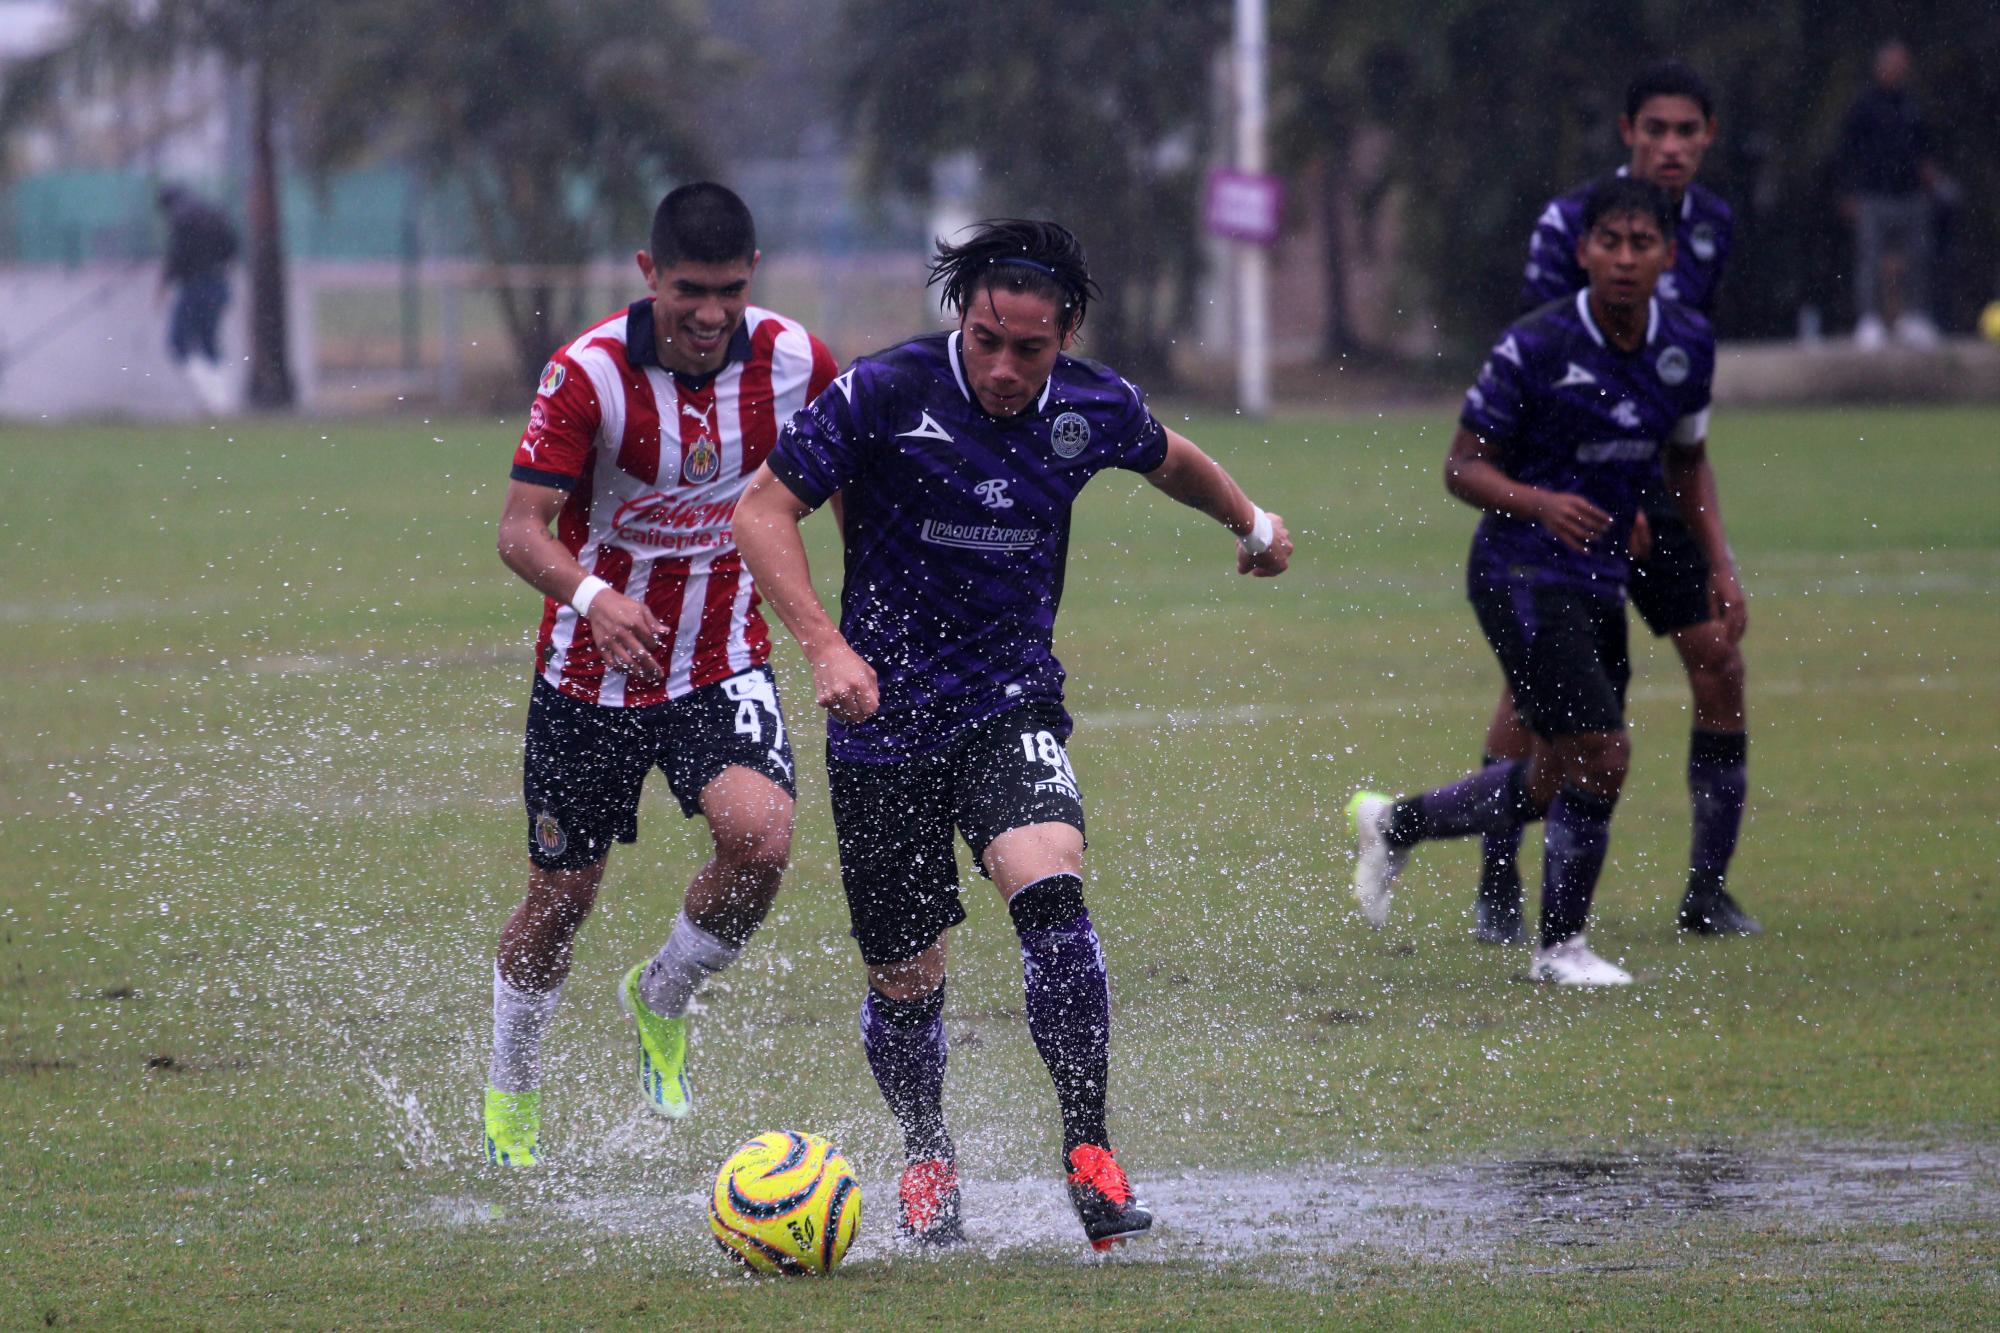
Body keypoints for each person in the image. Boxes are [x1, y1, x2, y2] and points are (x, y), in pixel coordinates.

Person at [734, 219, 1292, 1249]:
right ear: (962, 316)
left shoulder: (1090, 405)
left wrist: (1250, 524)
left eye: (1027, 349)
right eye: (985, 339)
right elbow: (762, 510)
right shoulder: (884, 391)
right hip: (880, 717)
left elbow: (1170, 459)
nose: (1001, 367)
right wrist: (823, 645)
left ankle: (1089, 1150)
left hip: (1008, 699)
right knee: (906, 976)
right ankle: (926, 1152)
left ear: (1065, 334)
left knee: (1051, 890)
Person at [481, 183, 837, 1167]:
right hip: (586, 676)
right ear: (649, 275)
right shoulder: (588, 372)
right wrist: (594, 596)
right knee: (562, 896)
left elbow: (848, 480)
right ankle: (513, 1080)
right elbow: (519, 532)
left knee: (761, 842)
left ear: (752, 274)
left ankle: (663, 991)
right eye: (689, 291)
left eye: (729, 290)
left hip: (720, 659)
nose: (710, 314)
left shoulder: (797, 362)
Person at [1348, 175, 1729, 986]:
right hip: (1517, 570)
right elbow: (1461, 467)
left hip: (1598, 576)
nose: (1624, 259)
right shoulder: (1537, 344)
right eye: (1609, 243)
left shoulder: (1686, 345)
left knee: (1558, 774)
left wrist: (1715, 562)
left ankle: (1397, 822)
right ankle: (1560, 949)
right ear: (1583, 250)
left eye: (1641, 244)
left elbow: (1684, 459)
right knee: (1604, 752)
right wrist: (1542, 503)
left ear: (1668, 256)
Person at [1476, 60, 1754, 944]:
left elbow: (1682, 384)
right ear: (1629, 132)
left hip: (1654, 479)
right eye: (1655, 129)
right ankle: (1497, 881)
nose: (1671, 146)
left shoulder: (1710, 227)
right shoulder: (1573, 222)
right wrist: (1598, 484)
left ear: (1708, 137)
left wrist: (1717, 554)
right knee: (1539, 696)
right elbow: (1549, 349)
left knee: (1719, 659)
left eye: (1687, 131)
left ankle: (1707, 890)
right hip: (1572, 484)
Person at [1838, 40, 1941, 351]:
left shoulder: (1912, 105)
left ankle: (1915, 318)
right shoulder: (1863, 105)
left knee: (1918, 257)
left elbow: (1925, 147)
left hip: (1911, 195)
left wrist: (1929, 177)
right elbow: (1847, 151)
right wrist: (1849, 192)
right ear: (1880, 67)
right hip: (1873, 194)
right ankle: (1869, 320)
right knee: (1870, 259)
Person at [155, 184, 239, 414]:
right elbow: (232, 248)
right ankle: (221, 399)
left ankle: (211, 399)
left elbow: (178, 256)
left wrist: (164, 285)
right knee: (210, 342)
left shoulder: (181, 219)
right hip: (219, 284)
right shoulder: (214, 215)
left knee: (178, 342)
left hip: (195, 286)